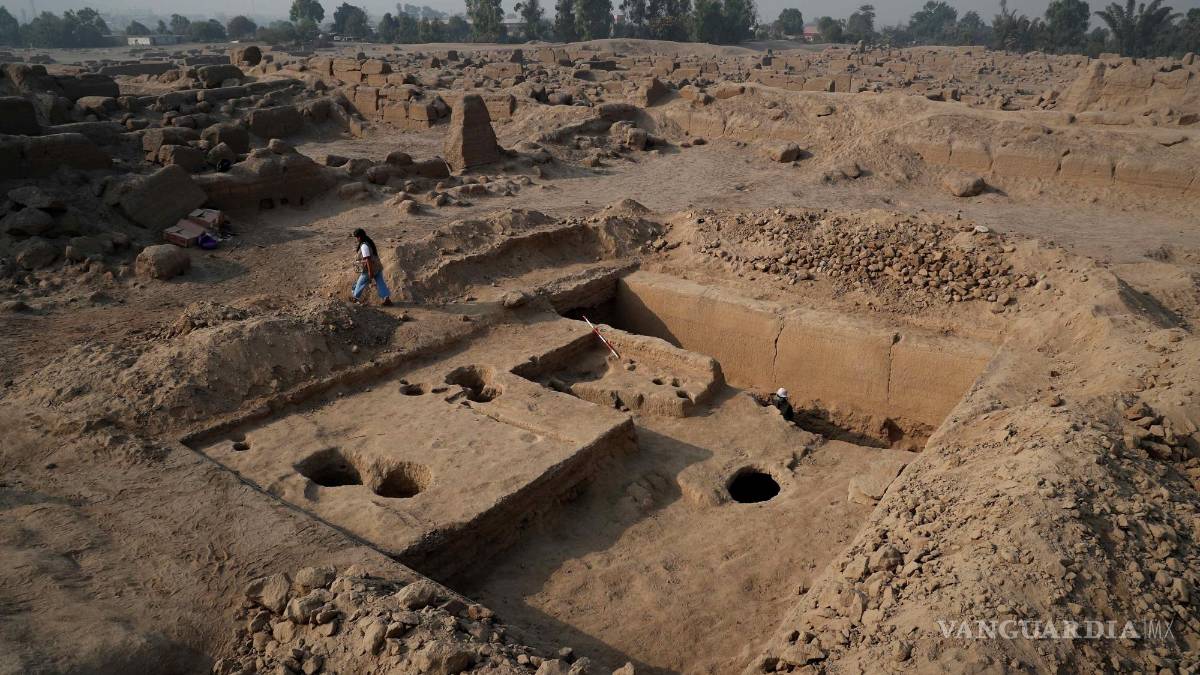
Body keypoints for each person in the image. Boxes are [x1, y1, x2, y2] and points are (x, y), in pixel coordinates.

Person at [352, 228, 392, 306]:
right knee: (380, 282)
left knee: (360, 283)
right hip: (377, 267)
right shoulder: (369, 242)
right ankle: (386, 299)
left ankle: (355, 298)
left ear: (359, 237)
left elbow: (368, 259)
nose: (356, 239)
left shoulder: (364, 246)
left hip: (370, 268)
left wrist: (370, 272)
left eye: (356, 237)